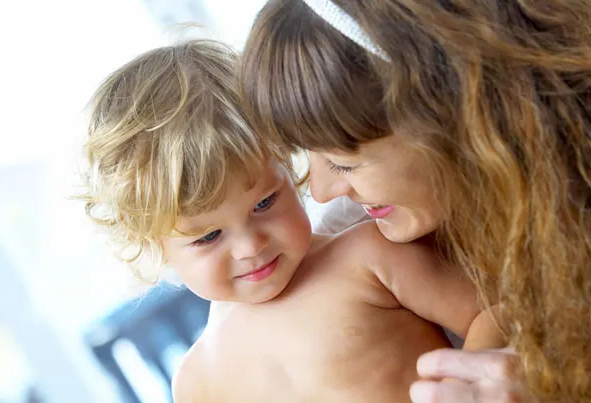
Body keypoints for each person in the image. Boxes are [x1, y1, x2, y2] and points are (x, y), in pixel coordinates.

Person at [79, 39, 504, 402]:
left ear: (287, 162)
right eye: (208, 236)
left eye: (265, 203)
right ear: (152, 244)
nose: (251, 246)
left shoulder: (369, 256)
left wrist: (466, 386)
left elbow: (495, 312)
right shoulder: (196, 381)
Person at [240, 0, 591, 402]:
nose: (320, 191)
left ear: (458, 112)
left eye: (343, 163)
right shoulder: (349, 227)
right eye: (307, 155)